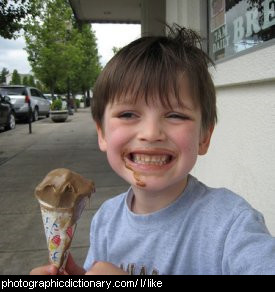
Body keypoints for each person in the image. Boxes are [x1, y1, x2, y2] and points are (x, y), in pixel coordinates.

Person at [31, 25, 275, 275]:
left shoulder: (233, 224)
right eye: (127, 114)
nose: (150, 133)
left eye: (175, 115)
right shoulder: (105, 219)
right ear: (102, 133)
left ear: (204, 136)